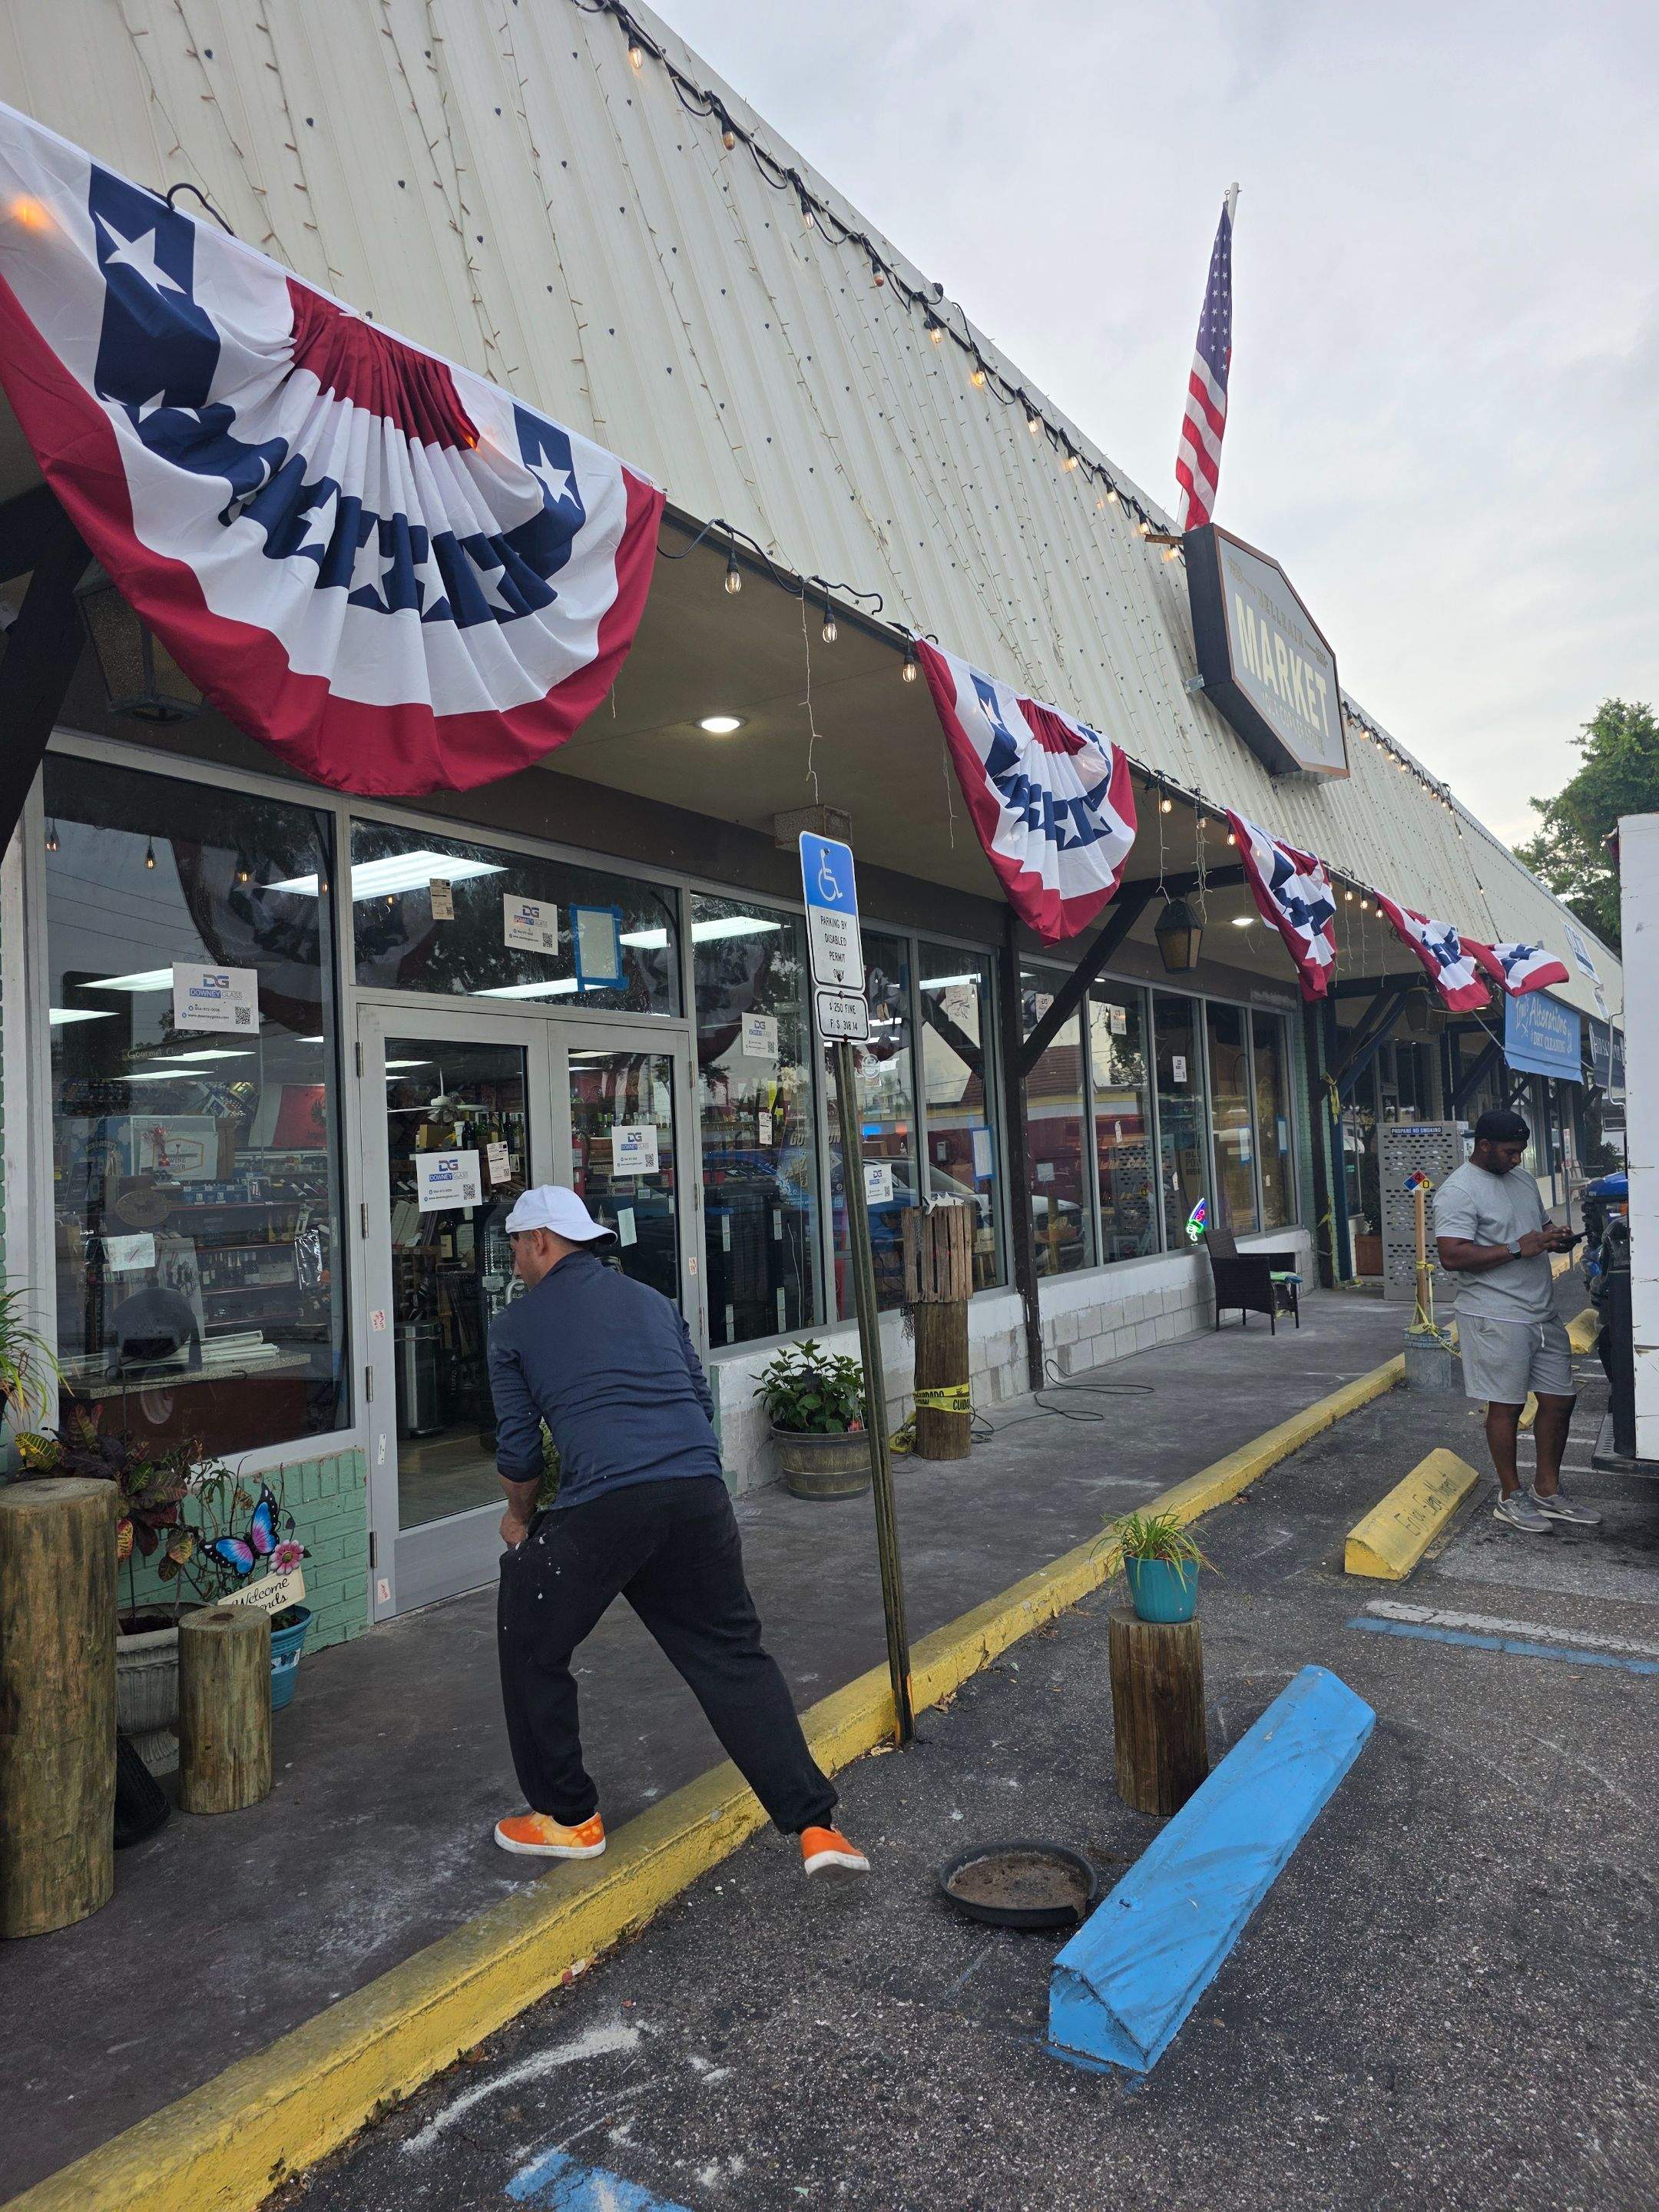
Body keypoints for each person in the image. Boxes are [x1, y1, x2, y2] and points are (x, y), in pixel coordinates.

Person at [486, 1184, 868, 1879]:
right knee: (730, 1653)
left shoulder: (515, 1325)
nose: (513, 1260)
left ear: (541, 1240)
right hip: (697, 1492)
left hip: (605, 1503)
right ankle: (816, 1825)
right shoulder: (653, 1302)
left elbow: (518, 1454)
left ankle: (569, 1819)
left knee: (529, 1634)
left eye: (514, 1244)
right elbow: (697, 1399)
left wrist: (519, 1519)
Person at [1435, 1109, 1599, 1535]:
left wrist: (1553, 1237)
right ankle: (1511, 1496)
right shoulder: (1459, 1191)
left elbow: (1537, 1230)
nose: (1516, 1159)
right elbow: (1452, 1255)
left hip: (1541, 1310)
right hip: (1493, 1313)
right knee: (1505, 1407)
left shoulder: (1522, 1179)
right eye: (1509, 1152)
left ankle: (1548, 1490)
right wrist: (1515, 1248)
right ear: (1484, 1145)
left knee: (1560, 1399)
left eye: (1521, 1152)